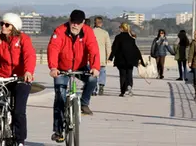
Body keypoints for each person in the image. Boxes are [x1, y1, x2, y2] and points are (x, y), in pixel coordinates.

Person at [0, 13, 36, 146]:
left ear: (14, 27)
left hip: (21, 78)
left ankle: (20, 140)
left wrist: (28, 71)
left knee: (19, 111)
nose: (3, 26)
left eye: (6, 24)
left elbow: (29, 55)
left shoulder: (24, 39)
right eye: (2, 24)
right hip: (3, 77)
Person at [47, 9, 100, 142]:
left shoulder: (88, 32)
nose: (75, 25)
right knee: (60, 96)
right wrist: (53, 67)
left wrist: (95, 67)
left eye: (78, 23)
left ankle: (83, 103)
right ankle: (58, 130)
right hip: (61, 68)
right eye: (72, 22)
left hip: (80, 66)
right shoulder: (60, 31)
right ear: (69, 21)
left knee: (93, 79)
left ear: (83, 23)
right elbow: (53, 48)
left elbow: (93, 49)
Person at [108, 22, 145, 97]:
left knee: (122, 75)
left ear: (122, 28)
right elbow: (135, 49)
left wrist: (110, 58)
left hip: (120, 60)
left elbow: (114, 48)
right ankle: (129, 86)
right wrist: (139, 59)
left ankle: (123, 91)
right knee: (129, 74)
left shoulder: (118, 37)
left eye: (120, 27)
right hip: (130, 60)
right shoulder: (131, 38)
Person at [92, 16, 111, 95]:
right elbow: (108, 46)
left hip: (92, 56)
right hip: (102, 56)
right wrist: (109, 56)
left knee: (93, 73)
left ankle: (93, 88)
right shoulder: (105, 33)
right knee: (102, 72)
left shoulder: (90, 31)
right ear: (101, 23)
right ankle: (101, 85)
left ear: (94, 23)